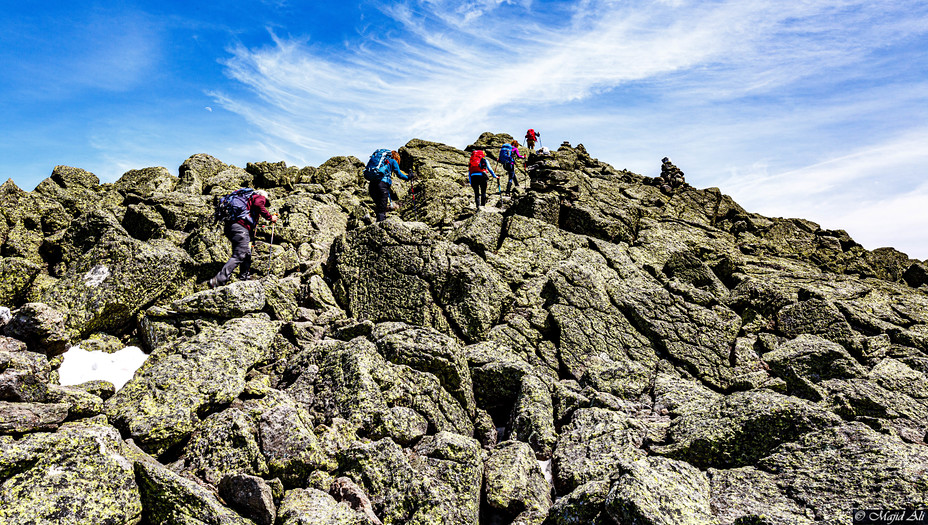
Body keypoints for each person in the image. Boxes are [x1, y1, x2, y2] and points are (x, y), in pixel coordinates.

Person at [208, 189, 277, 288]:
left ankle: (244, 277)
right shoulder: (259, 197)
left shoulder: (245, 199)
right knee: (240, 254)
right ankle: (218, 280)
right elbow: (258, 205)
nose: (264, 203)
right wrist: (270, 217)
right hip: (240, 228)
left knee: (246, 252)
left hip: (230, 227)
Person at [367, 150, 410, 222]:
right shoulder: (393, 161)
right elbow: (399, 174)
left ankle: (377, 224)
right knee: (382, 209)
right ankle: (380, 228)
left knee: (379, 206)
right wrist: (408, 177)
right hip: (381, 186)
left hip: (371, 186)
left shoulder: (382, 163)